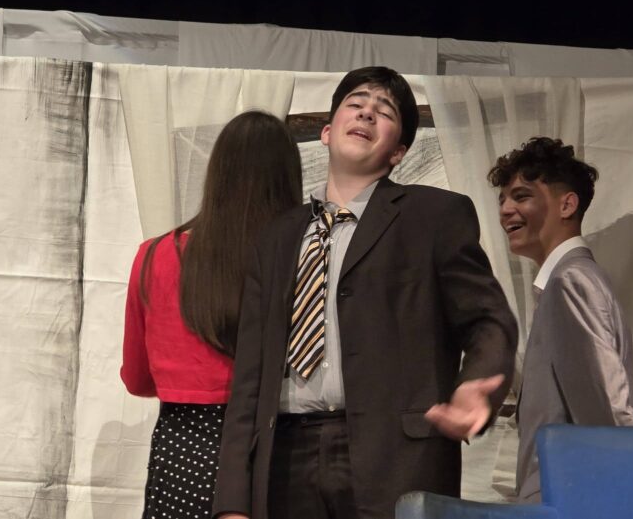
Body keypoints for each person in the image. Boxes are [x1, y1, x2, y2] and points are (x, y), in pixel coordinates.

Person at [212, 66, 518, 519]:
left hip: (395, 459)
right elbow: (250, 376)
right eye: (355, 103)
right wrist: (232, 502)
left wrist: (475, 384)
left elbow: (488, 319)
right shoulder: (277, 236)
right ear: (327, 131)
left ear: (398, 151)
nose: (367, 113)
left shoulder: (434, 215)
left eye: (385, 111)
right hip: (286, 457)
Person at [120, 110, 303, 519]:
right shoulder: (295, 260)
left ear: (217, 172)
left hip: (183, 449)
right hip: (274, 445)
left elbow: (136, 377)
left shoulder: (155, 256)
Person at [489, 137, 633, 503]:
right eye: (502, 200)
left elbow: (607, 413)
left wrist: (627, 497)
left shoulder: (571, 282)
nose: (506, 210)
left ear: (567, 204)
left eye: (521, 196)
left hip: (572, 498)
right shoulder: (566, 281)